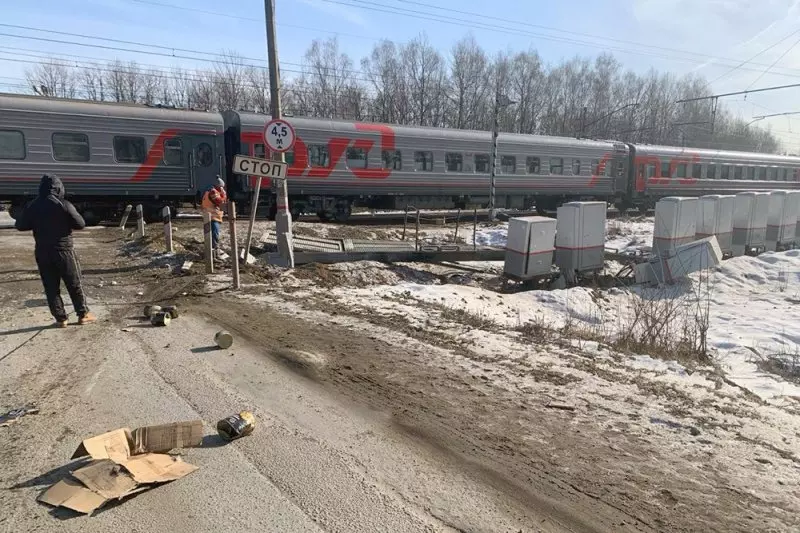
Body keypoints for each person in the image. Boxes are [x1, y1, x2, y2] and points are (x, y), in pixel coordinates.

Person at [14, 174, 96, 327]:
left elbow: (20, 225)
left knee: (51, 286)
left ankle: (61, 319)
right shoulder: (63, 204)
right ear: (59, 188)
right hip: (64, 250)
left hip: (42, 251)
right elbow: (80, 224)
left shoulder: (33, 205)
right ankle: (83, 314)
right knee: (74, 283)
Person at [201, 176, 227, 256]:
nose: (222, 189)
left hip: (212, 216)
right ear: (217, 186)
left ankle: (212, 251)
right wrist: (224, 195)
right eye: (221, 187)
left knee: (212, 235)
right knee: (214, 235)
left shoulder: (212, 191)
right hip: (213, 217)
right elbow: (219, 202)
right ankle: (214, 252)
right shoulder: (213, 192)